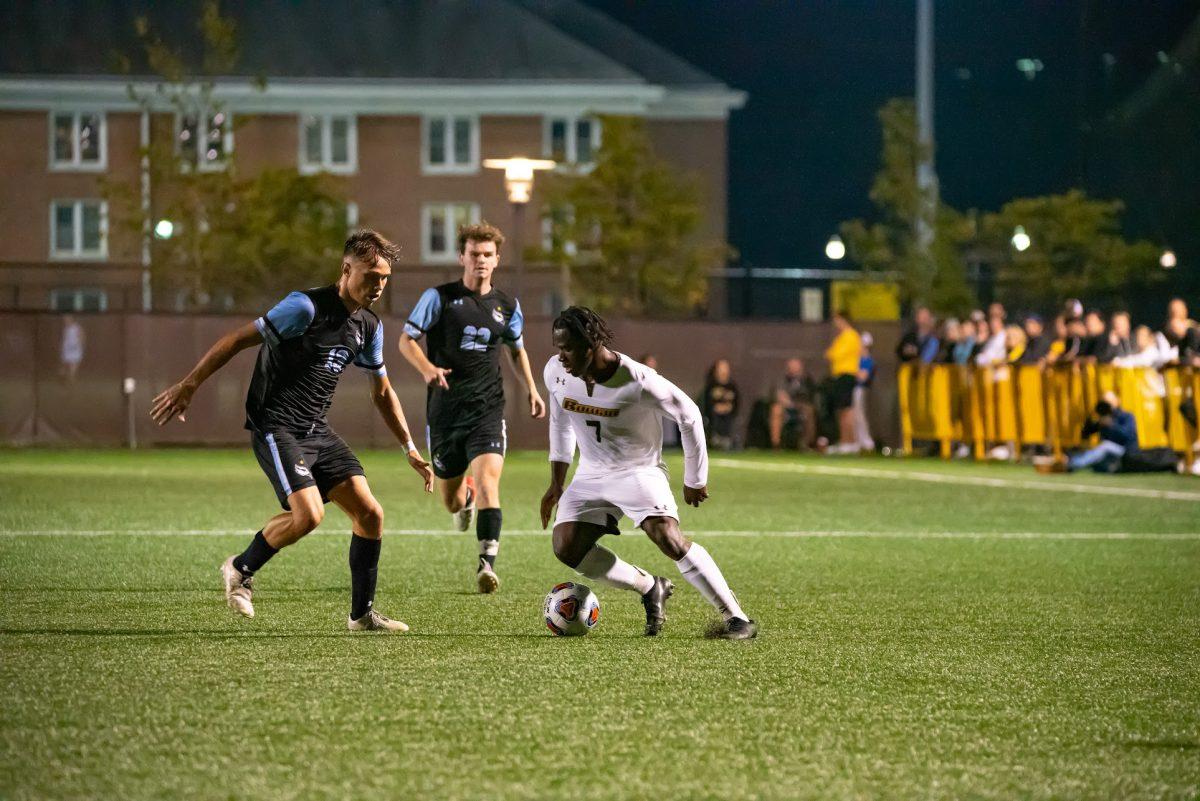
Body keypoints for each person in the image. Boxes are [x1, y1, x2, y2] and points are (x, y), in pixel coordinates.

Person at [150, 230, 433, 631]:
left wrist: (409, 447)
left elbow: (382, 390)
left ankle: (362, 616)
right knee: (309, 515)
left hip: (316, 429)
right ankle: (240, 568)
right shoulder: (304, 307)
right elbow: (235, 340)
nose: (378, 285)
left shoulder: (369, 326)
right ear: (346, 268)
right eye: (371, 276)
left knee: (370, 514)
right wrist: (190, 384)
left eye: (385, 278)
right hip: (275, 425)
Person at [539, 307, 757, 640]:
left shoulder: (638, 380)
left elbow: (689, 415)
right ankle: (649, 586)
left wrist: (694, 479)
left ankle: (738, 618)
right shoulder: (556, 371)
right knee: (566, 547)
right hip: (592, 472)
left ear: (591, 343)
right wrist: (557, 482)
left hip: (637, 471)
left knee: (669, 538)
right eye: (558, 348)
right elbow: (560, 422)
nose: (561, 356)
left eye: (567, 348)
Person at [398, 222, 546, 594]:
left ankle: (486, 563)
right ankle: (462, 501)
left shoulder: (507, 305)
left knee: (488, 483)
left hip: (487, 409)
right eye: (474, 254)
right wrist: (428, 369)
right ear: (461, 256)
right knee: (450, 502)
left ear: (497, 260)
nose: (480, 260)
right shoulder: (439, 297)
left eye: (487, 255)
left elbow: (515, 349)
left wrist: (531, 388)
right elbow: (406, 340)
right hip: (446, 413)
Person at [825, 311, 863, 454]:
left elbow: (835, 354)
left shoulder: (851, 336)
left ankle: (850, 442)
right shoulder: (842, 337)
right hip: (840, 375)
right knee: (841, 410)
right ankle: (844, 441)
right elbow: (830, 353)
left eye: (837, 320)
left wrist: (833, 354)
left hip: (847, 374)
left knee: (846, 410)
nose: (836, 324)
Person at [769, 357, 816, 450]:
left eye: (797, 367)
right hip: (785, 407)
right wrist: (786, 401)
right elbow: (778, 394)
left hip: (801, 406)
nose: (794, 369)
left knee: (809, 411)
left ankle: (807, 444)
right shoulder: (781, 380)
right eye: (792, 367)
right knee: (776, 410)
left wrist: (796, 403)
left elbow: (809, 396)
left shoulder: (807, 381)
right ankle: (776, 444)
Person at [701, 358, 739, 451]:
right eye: (721, 368)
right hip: (714, 419)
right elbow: (707, 404)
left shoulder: (732, 387)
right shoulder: (711, 386)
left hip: (728, 420)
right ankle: (714, 439)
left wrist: (727, 408)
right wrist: (716, 408)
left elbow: (736, 404)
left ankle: (727, 440)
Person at [851, 332, 876, 452]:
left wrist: (851, 370)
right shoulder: (859, 359)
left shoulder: (867, 360)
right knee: (856, 416)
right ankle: (859, 441)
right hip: (856, 389)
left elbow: (862, 377)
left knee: (860, 416)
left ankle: (866, 442)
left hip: (861, 390)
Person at [59, 314, 85, 382]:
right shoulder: (66, 328)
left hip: (75, 348)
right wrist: (63, 348)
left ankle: (71, 379)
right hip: (67, 348)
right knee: (65, 364)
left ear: (72, 319)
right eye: (65, 319)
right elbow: (64, 339)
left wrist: (80, 345)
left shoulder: (77, 327)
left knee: (74, 364)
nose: (65, 320)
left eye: (67, 319)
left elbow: (81, 336)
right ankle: (63, 377)